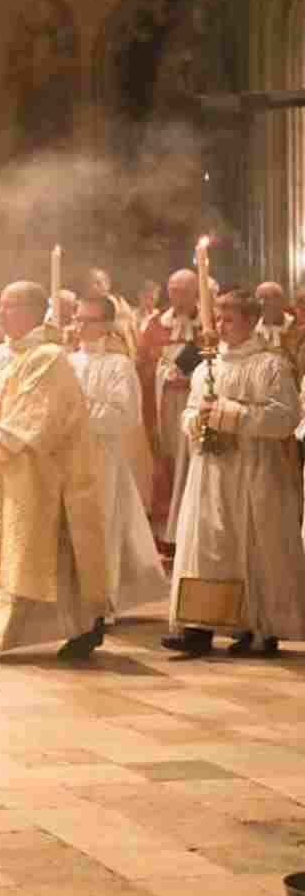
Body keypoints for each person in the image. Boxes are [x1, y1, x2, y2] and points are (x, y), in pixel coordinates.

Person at [0, 281, 107, 662]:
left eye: (10, 306)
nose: (1, 313)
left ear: (32, 312)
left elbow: (37, 413)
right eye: (0, 305)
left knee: (40, 553)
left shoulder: (47, 357)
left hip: (30, 472)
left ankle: (84, 625)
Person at [163, 288, 305, 656]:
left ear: (251, 320)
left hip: (253, 473)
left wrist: (231, 415)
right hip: (211, 471)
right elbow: (190, 411)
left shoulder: (270, 365)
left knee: (249, 546)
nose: (221, 326)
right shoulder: (208, 366)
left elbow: (285, 418)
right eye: (219, 319)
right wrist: (197, 422)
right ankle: (198, 625)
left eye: (229, 319)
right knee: (207, 545)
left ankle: (255, 626)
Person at [70, 296, 168, 620]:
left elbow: (125, 416)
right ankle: (73, 600)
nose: (82, 326)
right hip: (68, 458)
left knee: (103, 527)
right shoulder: (66, 361)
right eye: (79, 319)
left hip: (103, 458)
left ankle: (102, 601)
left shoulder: (118, 365)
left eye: (90, 320)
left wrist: (79, 412)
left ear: (108, 325)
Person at [136, 268, 202, 545]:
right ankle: (167, 529)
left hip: (195, 401)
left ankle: (192, 526)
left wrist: (188, 373)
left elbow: (216, 354)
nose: (177, 296)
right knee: (167, 456)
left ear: (197, 292)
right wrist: (163, 373)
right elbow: (142, 361)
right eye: (173, 290)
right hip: (163, 401)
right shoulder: (156, 324)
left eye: (184, 290)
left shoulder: (207, 322)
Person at [253, 281, 302, 379]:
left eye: (267, 298)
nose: (262, 303)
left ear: (281, 301)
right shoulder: (251, 331)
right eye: (259, 299)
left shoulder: (297, 328)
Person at [84, 267, 139, 355]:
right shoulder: (86, 306)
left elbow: (131, 328)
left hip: (117, 351)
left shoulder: (118, 303)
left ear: (108, 285)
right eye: (90, 283)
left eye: (98, 283)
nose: (94, 286)